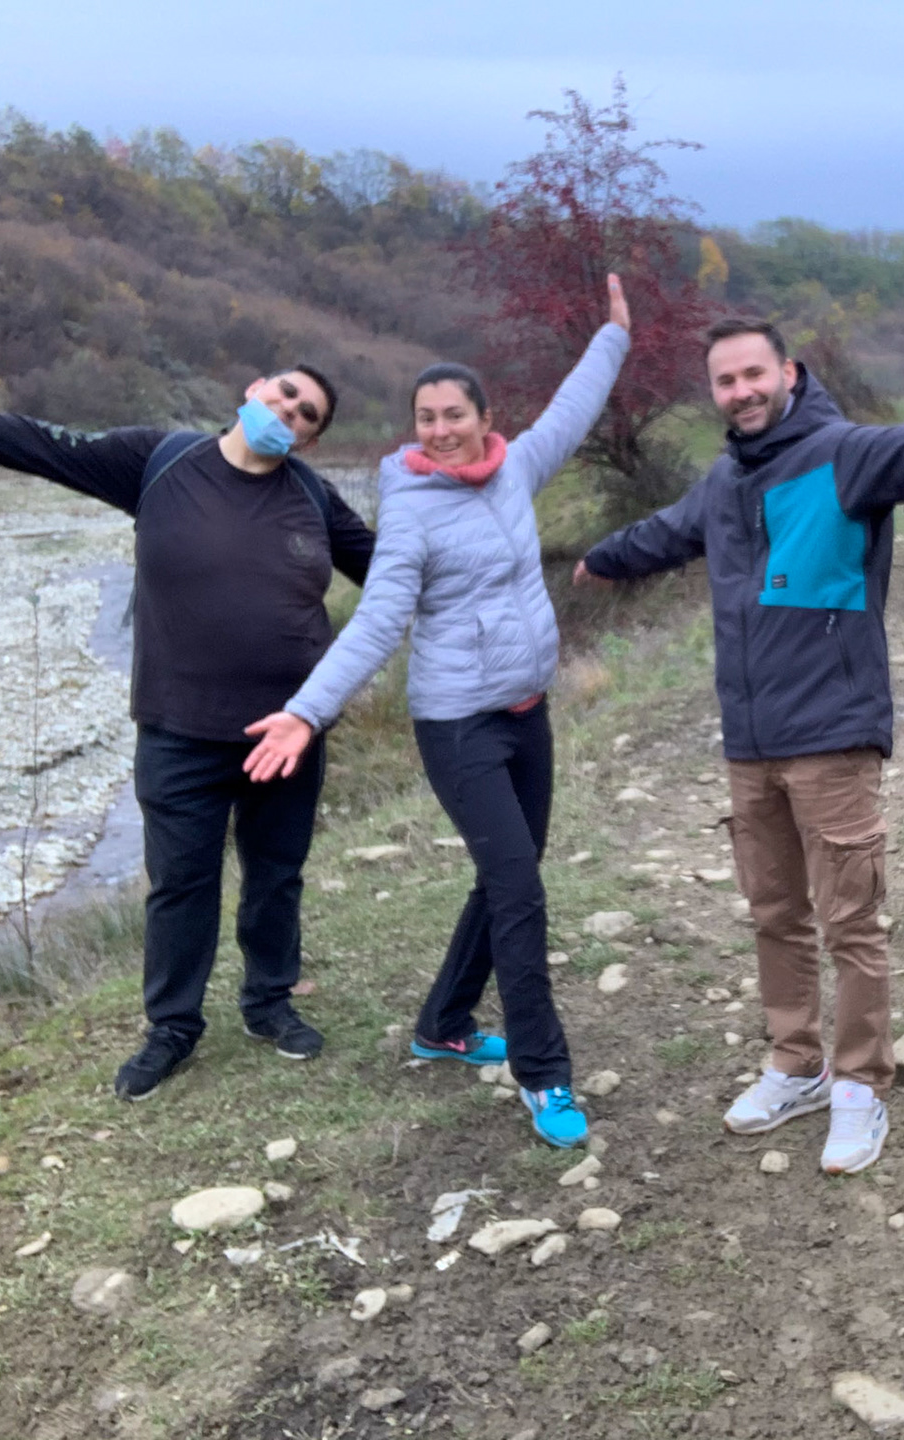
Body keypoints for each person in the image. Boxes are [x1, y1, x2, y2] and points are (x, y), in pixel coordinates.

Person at [574, 317, 904, 1173]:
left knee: (850, 921)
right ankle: (795, 1063)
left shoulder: (842, 456)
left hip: (831, 733)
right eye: (724, 381)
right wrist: (602, 559)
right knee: (775, 914)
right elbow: (664, 532)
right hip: (750, 740)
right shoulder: (720, 483)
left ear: (786, 371)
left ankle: (859, 1085)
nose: (740, 391)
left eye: (752, 374)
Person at [0, 366, 370, 1101]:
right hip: (179, 729)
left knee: (276, 876)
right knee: (181, 884)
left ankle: (269, 1004)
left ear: (311, 436)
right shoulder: (161, 460)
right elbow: (42, 445)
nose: (288, 412)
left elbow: (390, 576)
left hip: (286, 734)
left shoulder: (312, 497)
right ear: (251, 390)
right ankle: (172, 1029)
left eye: (306, 413)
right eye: (283, 394)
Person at [242, 276, 631, 1149]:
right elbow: (378, 621)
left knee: (510, 873)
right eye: (425, 417)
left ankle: (443, 1025)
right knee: (521, 890)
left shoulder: (517, 469)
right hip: (458, 724)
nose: (440, 429)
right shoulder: (411, 512)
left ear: (484, 418)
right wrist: (307, 713)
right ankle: (543, 1072)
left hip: (527, 713)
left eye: (454, 414)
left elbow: (572, 409)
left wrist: (613, 336)